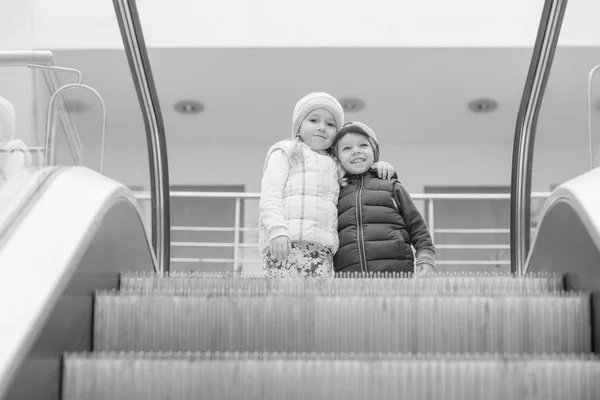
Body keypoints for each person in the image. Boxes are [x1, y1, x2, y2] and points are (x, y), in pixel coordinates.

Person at [258, 93, 395, 278]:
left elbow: (359, 172)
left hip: (321, 249)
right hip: (284, 243)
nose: (321, 128)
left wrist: (377, 167)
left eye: (330, 124)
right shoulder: (285, 152)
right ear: (298, 127)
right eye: (314, 120)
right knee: (283, 303)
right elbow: (270, 195)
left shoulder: (336, 164)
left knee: (315, 304)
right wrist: (276, 230)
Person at [332, 121, 436, 275]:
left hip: (395, 273)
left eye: (363, 145)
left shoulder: (391, 186)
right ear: (338, 158)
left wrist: (425, 255)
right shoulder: (336, 192)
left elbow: (417, 225)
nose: (356, 151)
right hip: (350, 278)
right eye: (347, 148)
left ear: (374, 151)